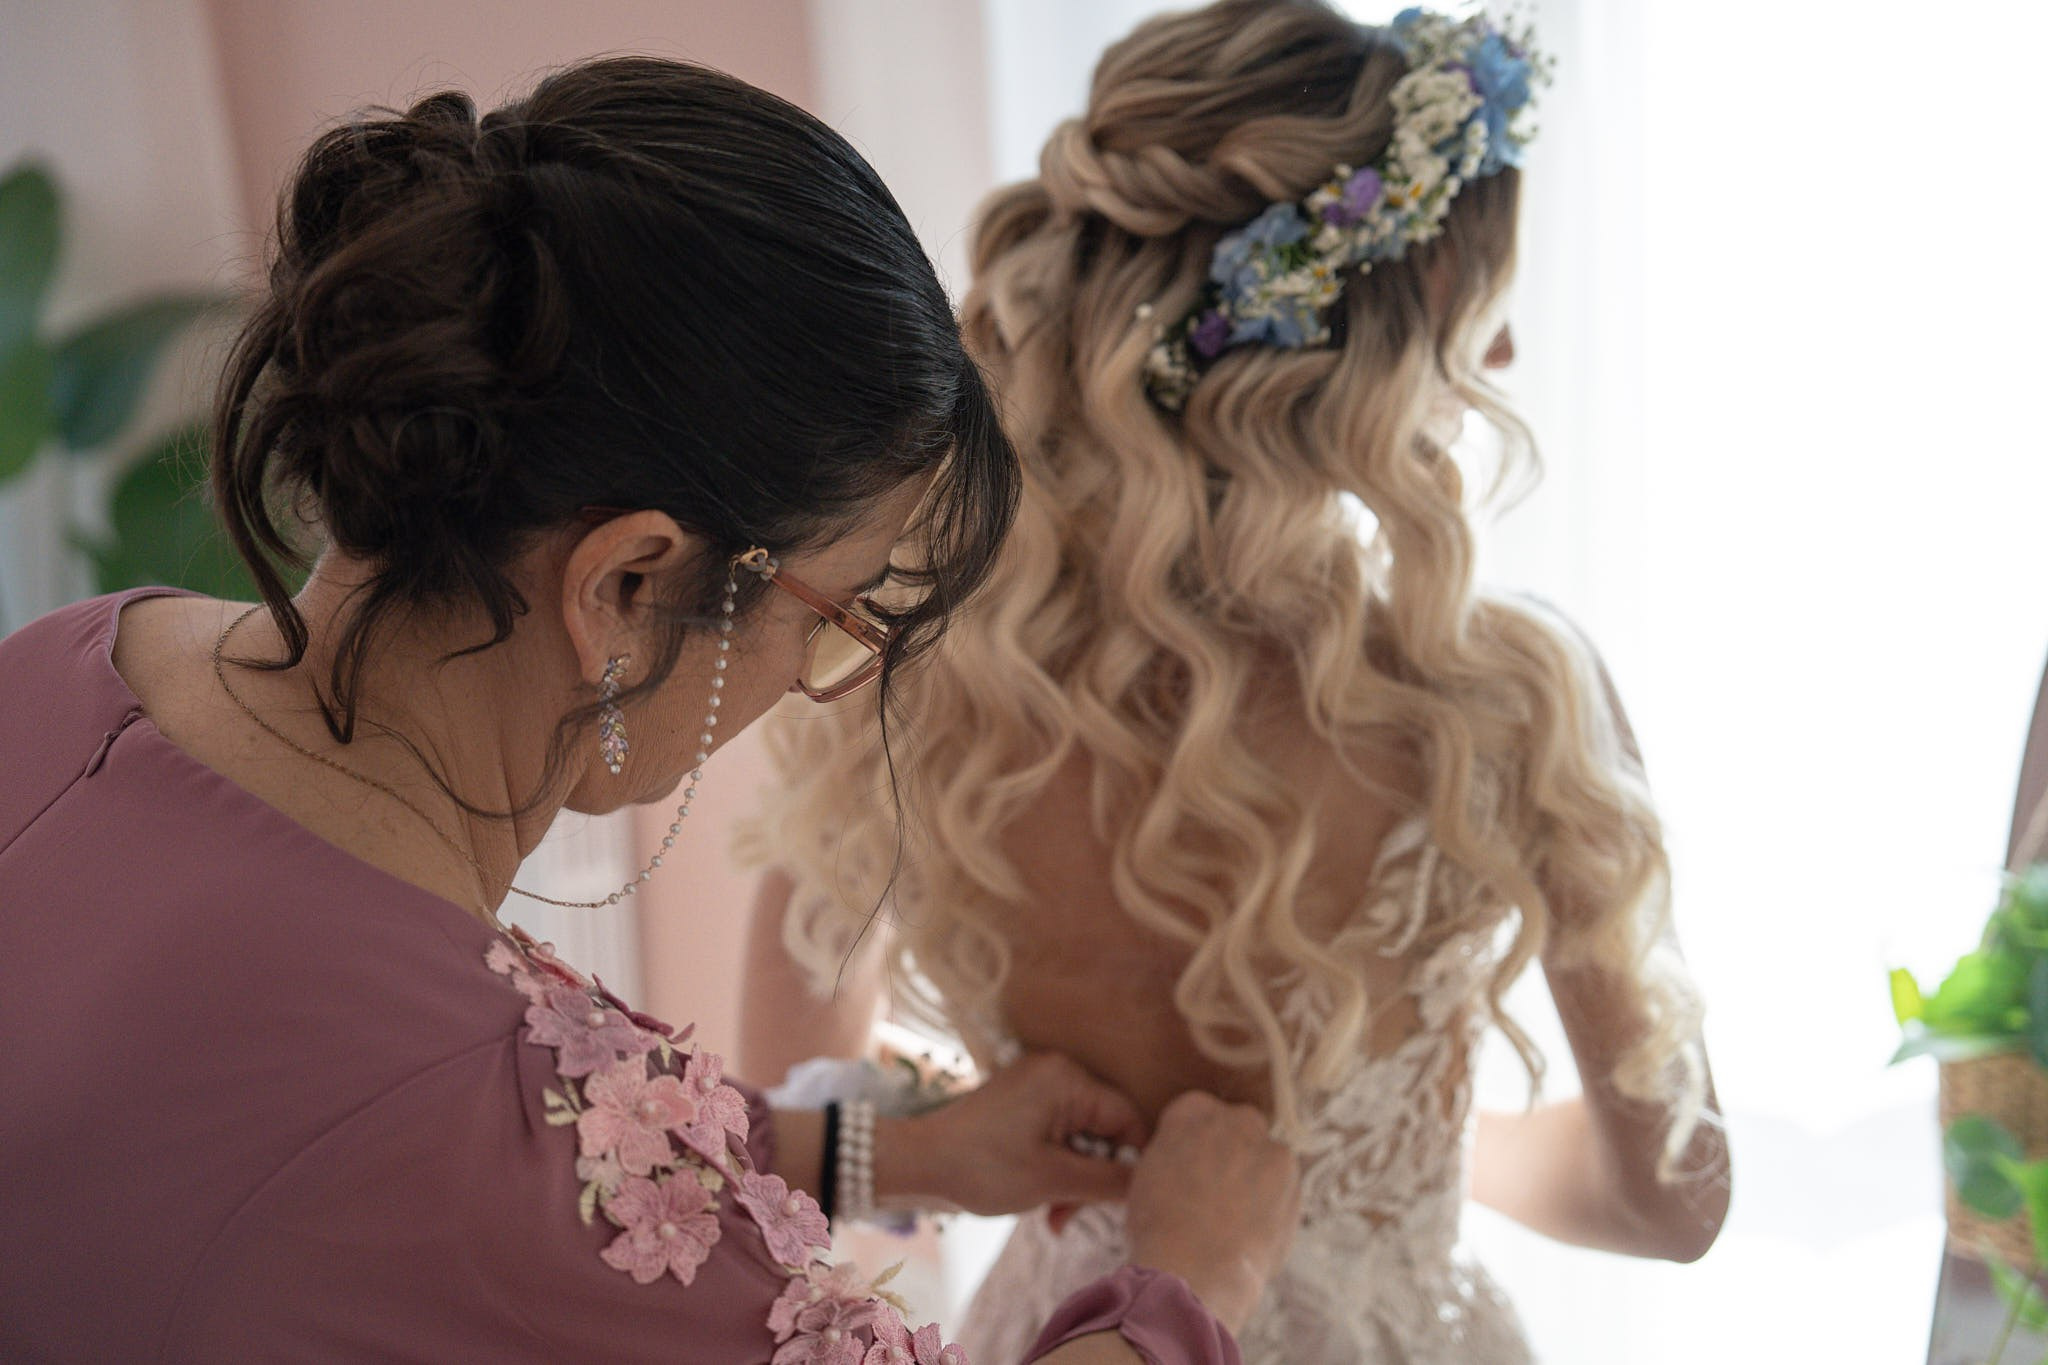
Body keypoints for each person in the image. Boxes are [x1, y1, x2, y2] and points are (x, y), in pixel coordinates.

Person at [0, 57, 1301, 1364]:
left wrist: (895, 1151)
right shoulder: (457, 1123)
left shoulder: (69, 667)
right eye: (829, 615)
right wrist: (1188, 1284)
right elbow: (458, 1156)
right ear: (624, 580)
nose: (805, 679)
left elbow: (411, 1149)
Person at [740, 5, 1731, 1362]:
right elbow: (1674, 1198)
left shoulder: (903, 682)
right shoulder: (1508, 697)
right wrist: (1411, 1155)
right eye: (1473, 302)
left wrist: (961, 1148)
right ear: (1366, 328)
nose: (1499, 360)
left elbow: (771, 1133)